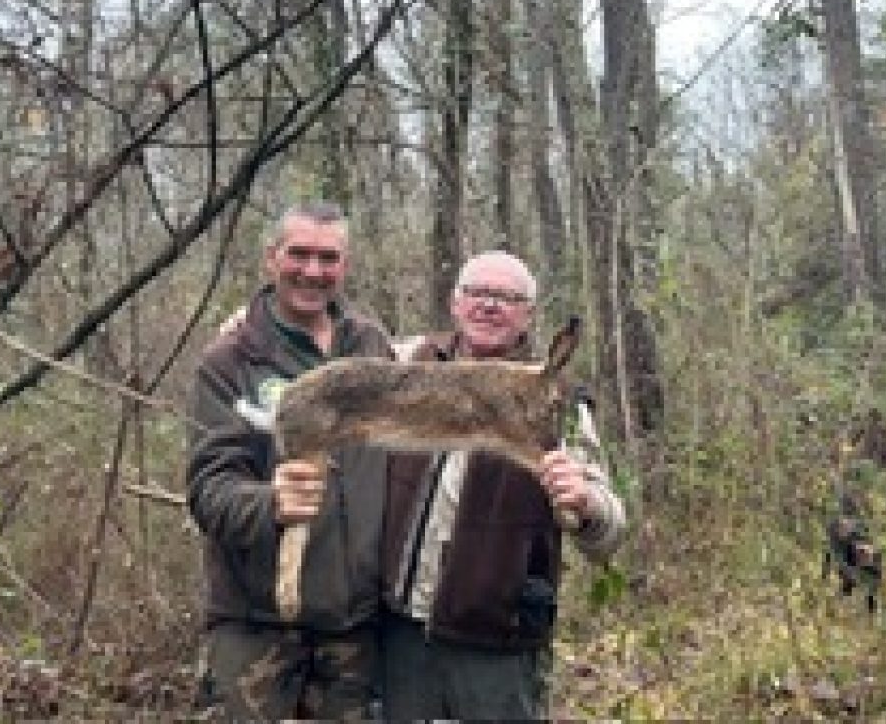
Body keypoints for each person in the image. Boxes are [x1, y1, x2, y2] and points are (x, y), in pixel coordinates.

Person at [380, 250, 627, 722]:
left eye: (507, 298)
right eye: (477, 293)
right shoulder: (408, 361)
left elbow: (609, 528)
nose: (489, 305)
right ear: (455, 302)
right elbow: (326, 353)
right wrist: (251, 319)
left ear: (528, 316)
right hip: (399, 633)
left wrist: (585, 501)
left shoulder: (557, 395)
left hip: (496, 640)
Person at [185, 201, 393, 722]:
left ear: (345, 266)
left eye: (329, 258)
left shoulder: (373, 346)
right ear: (271, 259)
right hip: (256, 624)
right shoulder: (230, 360)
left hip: (356, 627)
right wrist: (270, 503)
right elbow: (209, 490)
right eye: (298, 254)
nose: (313, 271)